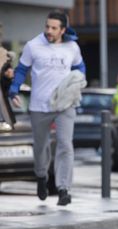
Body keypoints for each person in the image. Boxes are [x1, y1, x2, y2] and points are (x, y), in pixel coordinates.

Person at [8, 10, 86, 206]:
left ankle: (63, 188)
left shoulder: (72, 47)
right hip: (39, 105)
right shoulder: (33, 46)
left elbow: (79, 68)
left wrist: (78, 83)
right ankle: (41, 176)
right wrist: (14, 90)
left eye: (53, 28)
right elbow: (21, 70)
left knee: (65, 145)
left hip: (65, 104)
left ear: (63, 30)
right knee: (40, 147)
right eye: (47, 26)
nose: (48, 31)